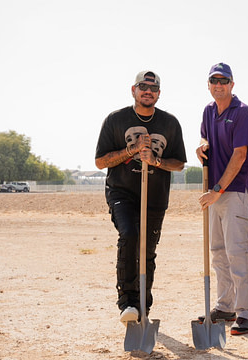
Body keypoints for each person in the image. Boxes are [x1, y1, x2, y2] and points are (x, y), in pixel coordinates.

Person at [95, 70, 187, 324]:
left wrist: (155, 160)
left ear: (159, 94)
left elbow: (179, 163)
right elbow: (101, 161)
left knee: (147, 251)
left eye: (153, 88)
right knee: (130, 235)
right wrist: (132, 150)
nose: (148, 91)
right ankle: (127, 302)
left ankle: (143, 306)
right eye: (143, 87)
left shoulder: (170, 123)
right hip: (121, 191)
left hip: (155, 196)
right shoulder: (115, 120)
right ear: (133, 90)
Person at [196, 62, 248, 335]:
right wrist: (201, 146)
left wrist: (217, 189)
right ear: (209, 85)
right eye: (214, 81)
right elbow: (204, 137)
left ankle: (246, 313)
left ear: (232, 84)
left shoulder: (242, 112)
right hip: (215, 192)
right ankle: (225, 306)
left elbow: (240, 154)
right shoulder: (208, 111)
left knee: (236, 252)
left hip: (233, 191)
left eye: (224, 81)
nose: (218, 85)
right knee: (218, 252)